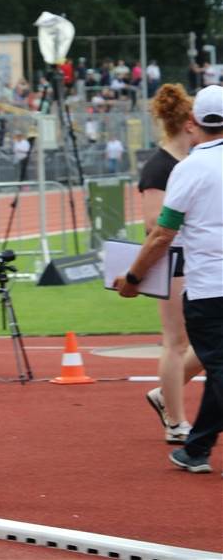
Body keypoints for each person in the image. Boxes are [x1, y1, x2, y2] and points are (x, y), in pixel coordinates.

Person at [116, 84, 223, 474]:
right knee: (211, 365)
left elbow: (162, 231)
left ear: (195, 123)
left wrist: (132, 276)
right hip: (205, 283)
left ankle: (194, 445)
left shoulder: (189, 168)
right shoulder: (175, 166)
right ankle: (195, 446)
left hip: (209, 286)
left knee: (217, 369)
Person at [138, 84, 205, 443]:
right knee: (176, 342)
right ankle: (177, 422)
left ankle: (166, 394)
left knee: (211, 341)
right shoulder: (160, 167)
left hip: (193, 260)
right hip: (171, 261)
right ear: (188, 124)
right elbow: (153, 224)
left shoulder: (188, 163)